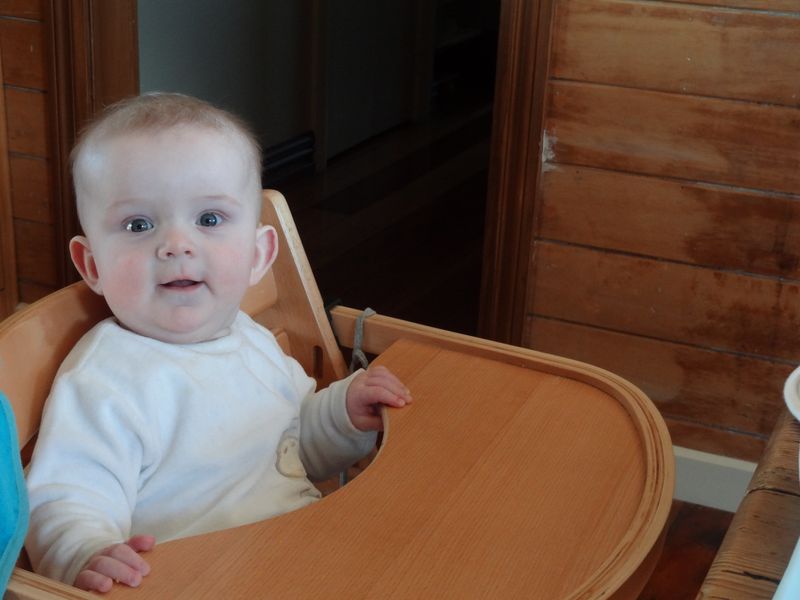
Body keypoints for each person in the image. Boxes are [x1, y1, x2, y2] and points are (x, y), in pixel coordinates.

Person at [24, 93, 412, 593]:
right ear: (92, 265)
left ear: (258, 254)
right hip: (198, 583)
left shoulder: (251, 341)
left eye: (208, 219)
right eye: (139, 225)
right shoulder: (105, 382)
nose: (176, 245)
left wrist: (341, 416)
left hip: (300, 556)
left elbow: (291, 449)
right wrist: (84, 552)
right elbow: (66, 499)